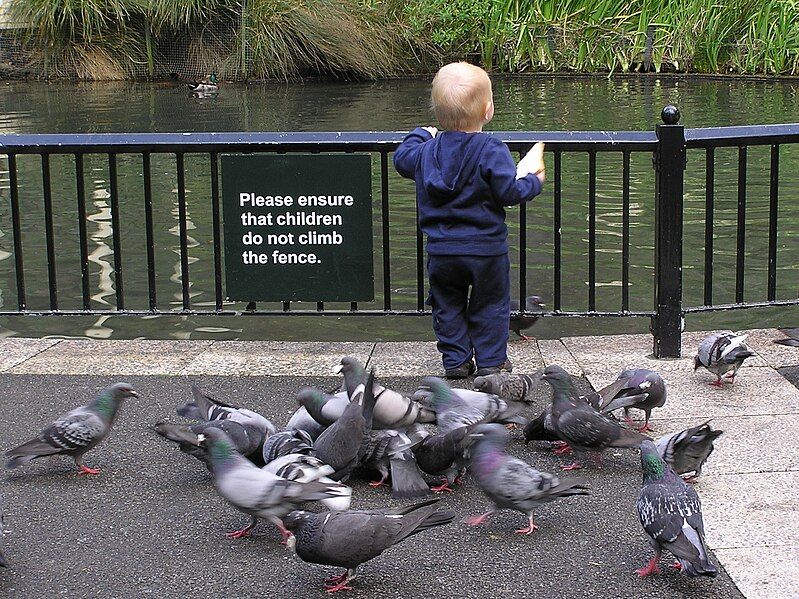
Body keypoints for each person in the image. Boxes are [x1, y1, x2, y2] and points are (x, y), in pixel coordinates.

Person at [393, 61, 546, 379]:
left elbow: (401, 157)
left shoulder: (425, 151)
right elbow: (509, 192)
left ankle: (456, 361)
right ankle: (491, 362)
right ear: (488, 110)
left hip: (442, 250)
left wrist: (422, 133)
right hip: (486, 249)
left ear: (438, 115)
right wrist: (535, 181)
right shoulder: (491, 148)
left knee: (447, 305)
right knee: (491, 304)